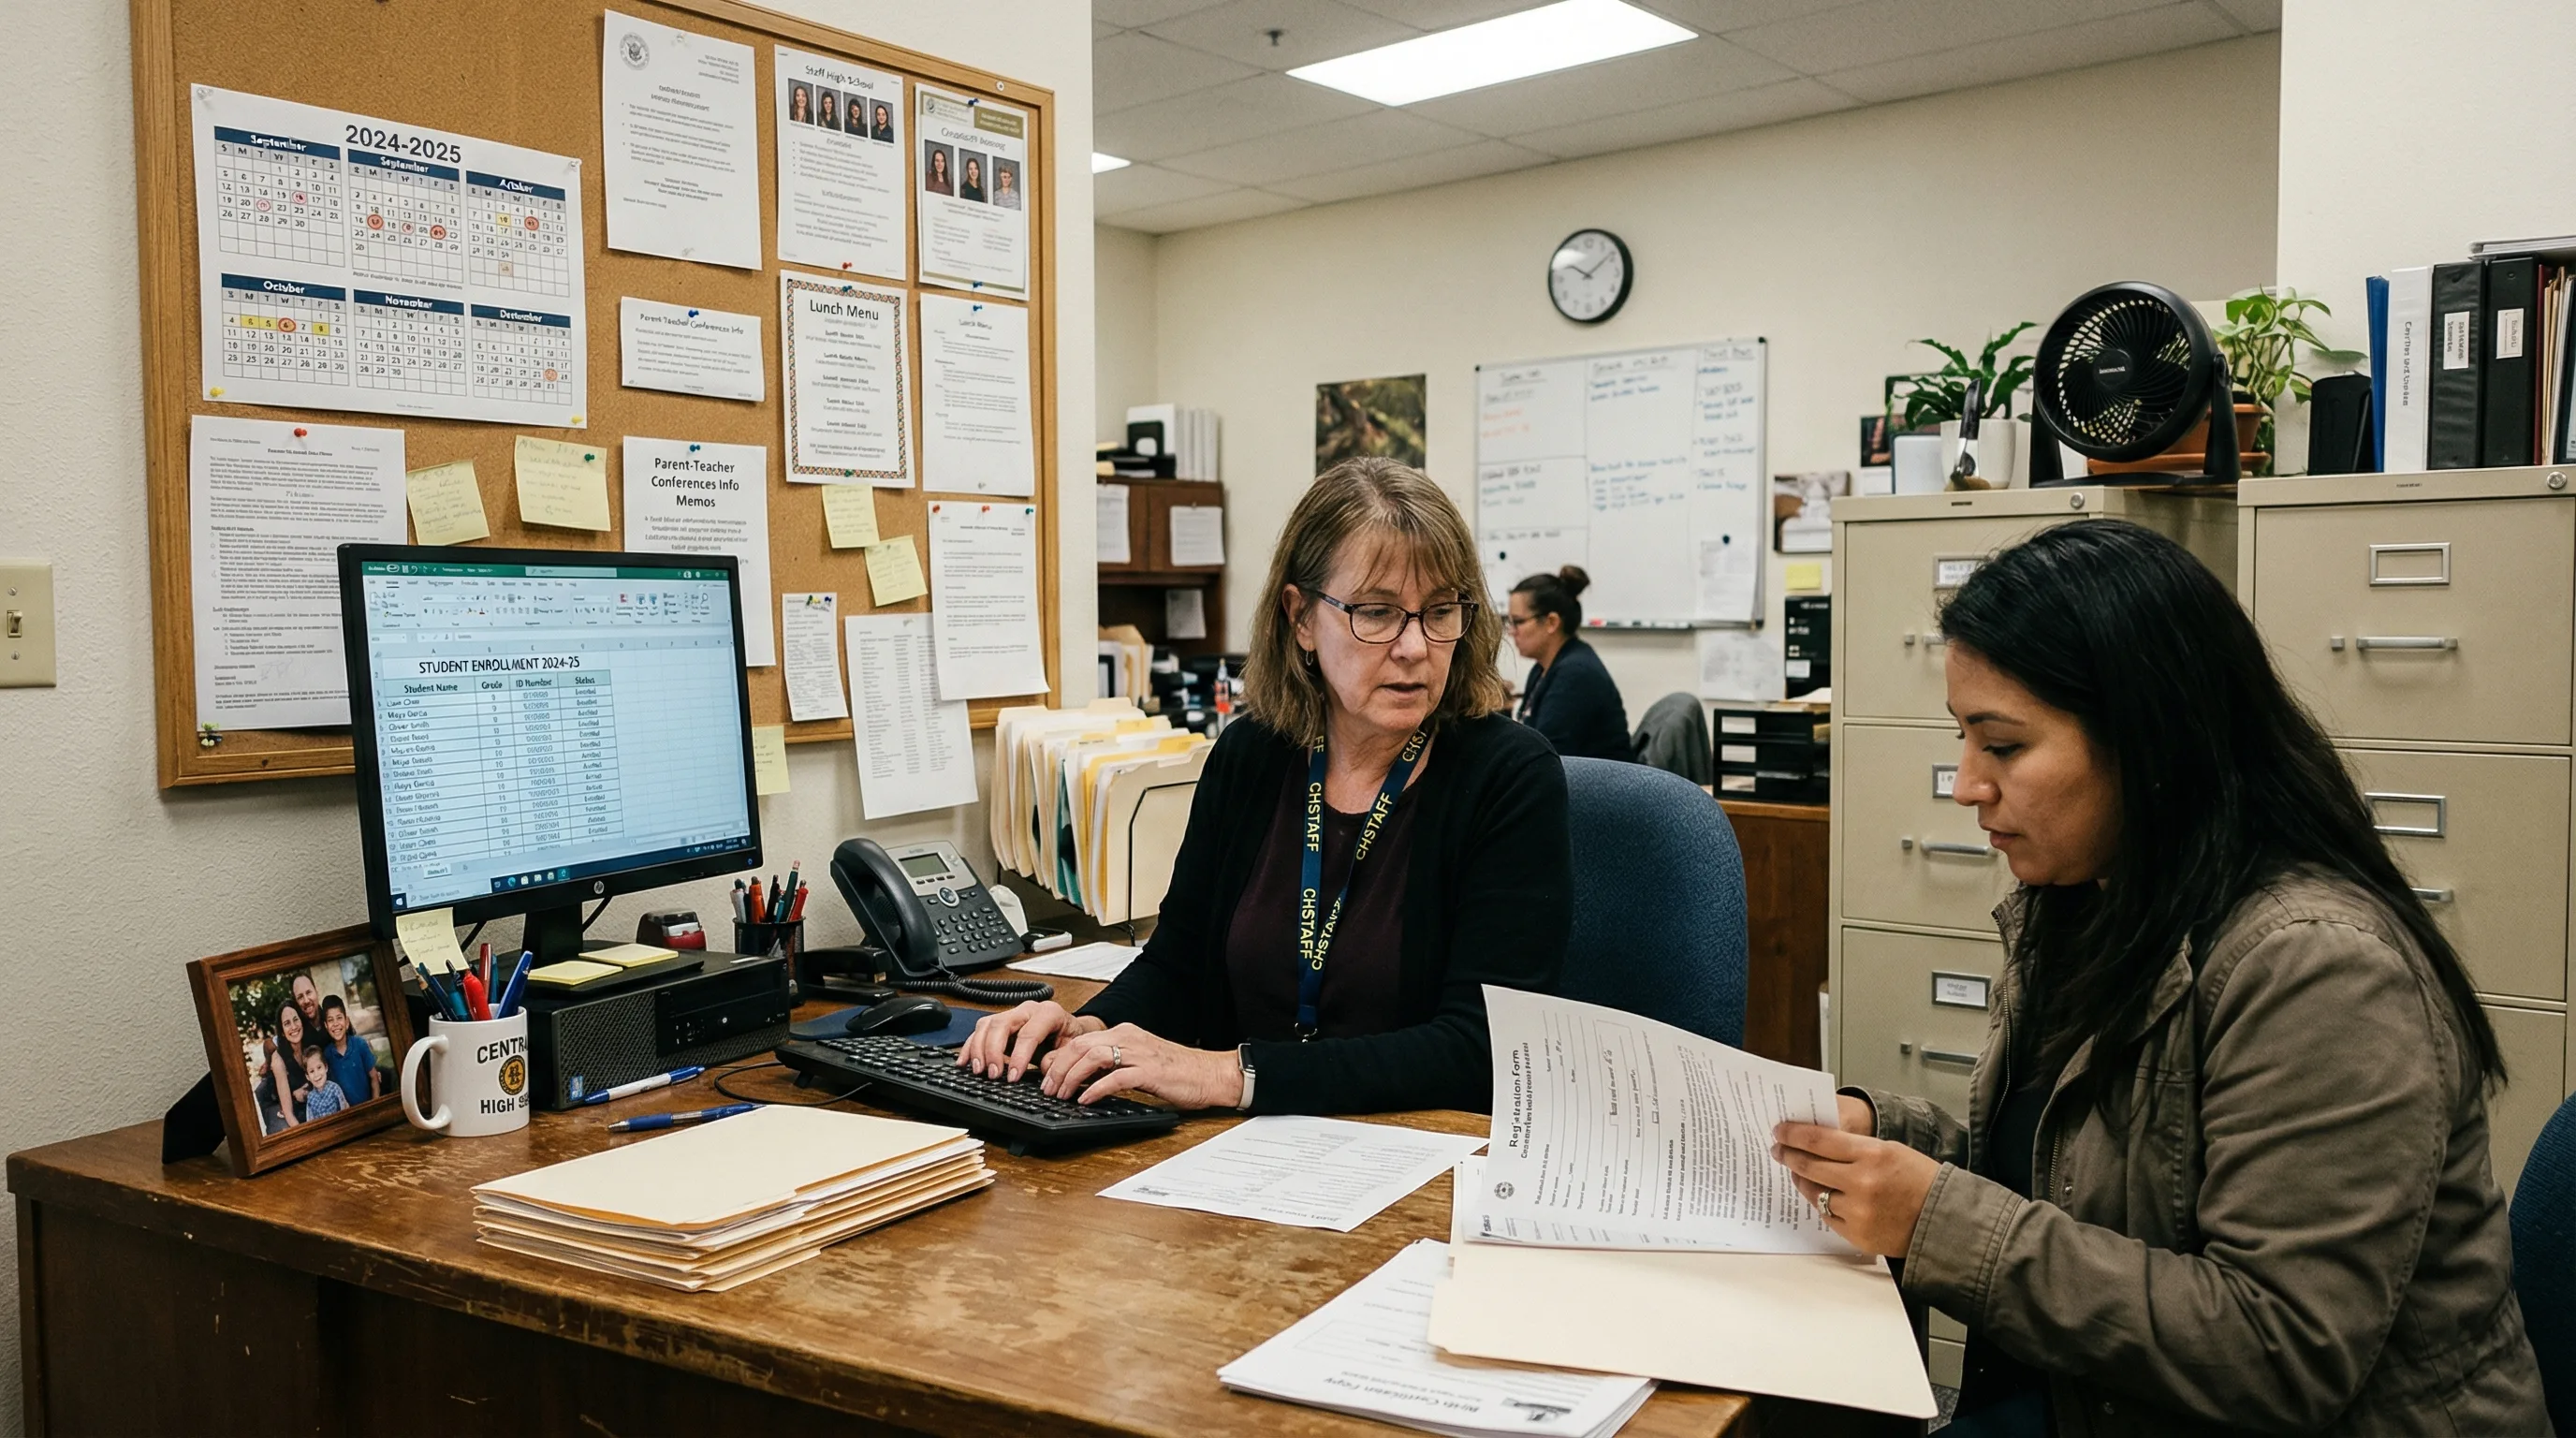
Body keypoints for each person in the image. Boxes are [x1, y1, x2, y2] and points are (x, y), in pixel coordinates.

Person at [1769, 521, 2547, 1435]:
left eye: (2004, 746)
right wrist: (1878, 1137)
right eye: (1963, 739)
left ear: (2147, 740)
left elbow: (2281, 1350)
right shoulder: (2092, 900)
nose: (1966, 785)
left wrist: (1935, 1220)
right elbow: (2077, 1188)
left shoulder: (2318, 966)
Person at [959, 457, 1570, 1115]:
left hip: (1414, 1170)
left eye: (1440, 611)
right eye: (1377, 612)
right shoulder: (1252, 755)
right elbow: (1180, 964)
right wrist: (1090, 1030)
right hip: (1239, 1166)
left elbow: (1480, 1050)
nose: (1415, 646)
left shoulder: (1508, 777)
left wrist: (1231, 1075)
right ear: (1301, 617)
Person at [1506, 567, 1629, 761]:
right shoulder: (1543, 667)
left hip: (1598, 787)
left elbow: (1544, 757)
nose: (1511, 631)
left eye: (1518, 622)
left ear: (1551, 622)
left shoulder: (1575, 674)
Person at [318, 994, 380, 1106]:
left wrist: (375, 1106)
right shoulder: (326, 1055)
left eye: (339, 1018)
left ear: (346, 1022)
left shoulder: (360, 1044)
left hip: (368, 1107)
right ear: (326, 1026)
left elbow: (374, 1077)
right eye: (331, 1020)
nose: (336, 1024)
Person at [261, 999, 313, 1131]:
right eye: (287, 1023)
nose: (294, 1027)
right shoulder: (278, 1059)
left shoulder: (312, 1046)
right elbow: (288, 1113)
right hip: (282, 1106)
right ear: (282, 1031)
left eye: (296, 1020)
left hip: (307, 1103)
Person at [298, 1047, 350, 1120]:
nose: (317, 1074)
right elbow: (310, 1120)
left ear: (325, 1067)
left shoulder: (335, 1088)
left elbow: (345, 1109)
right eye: (312, 1071)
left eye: (319, 1067)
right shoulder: (311, 1097)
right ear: (308, 1077)